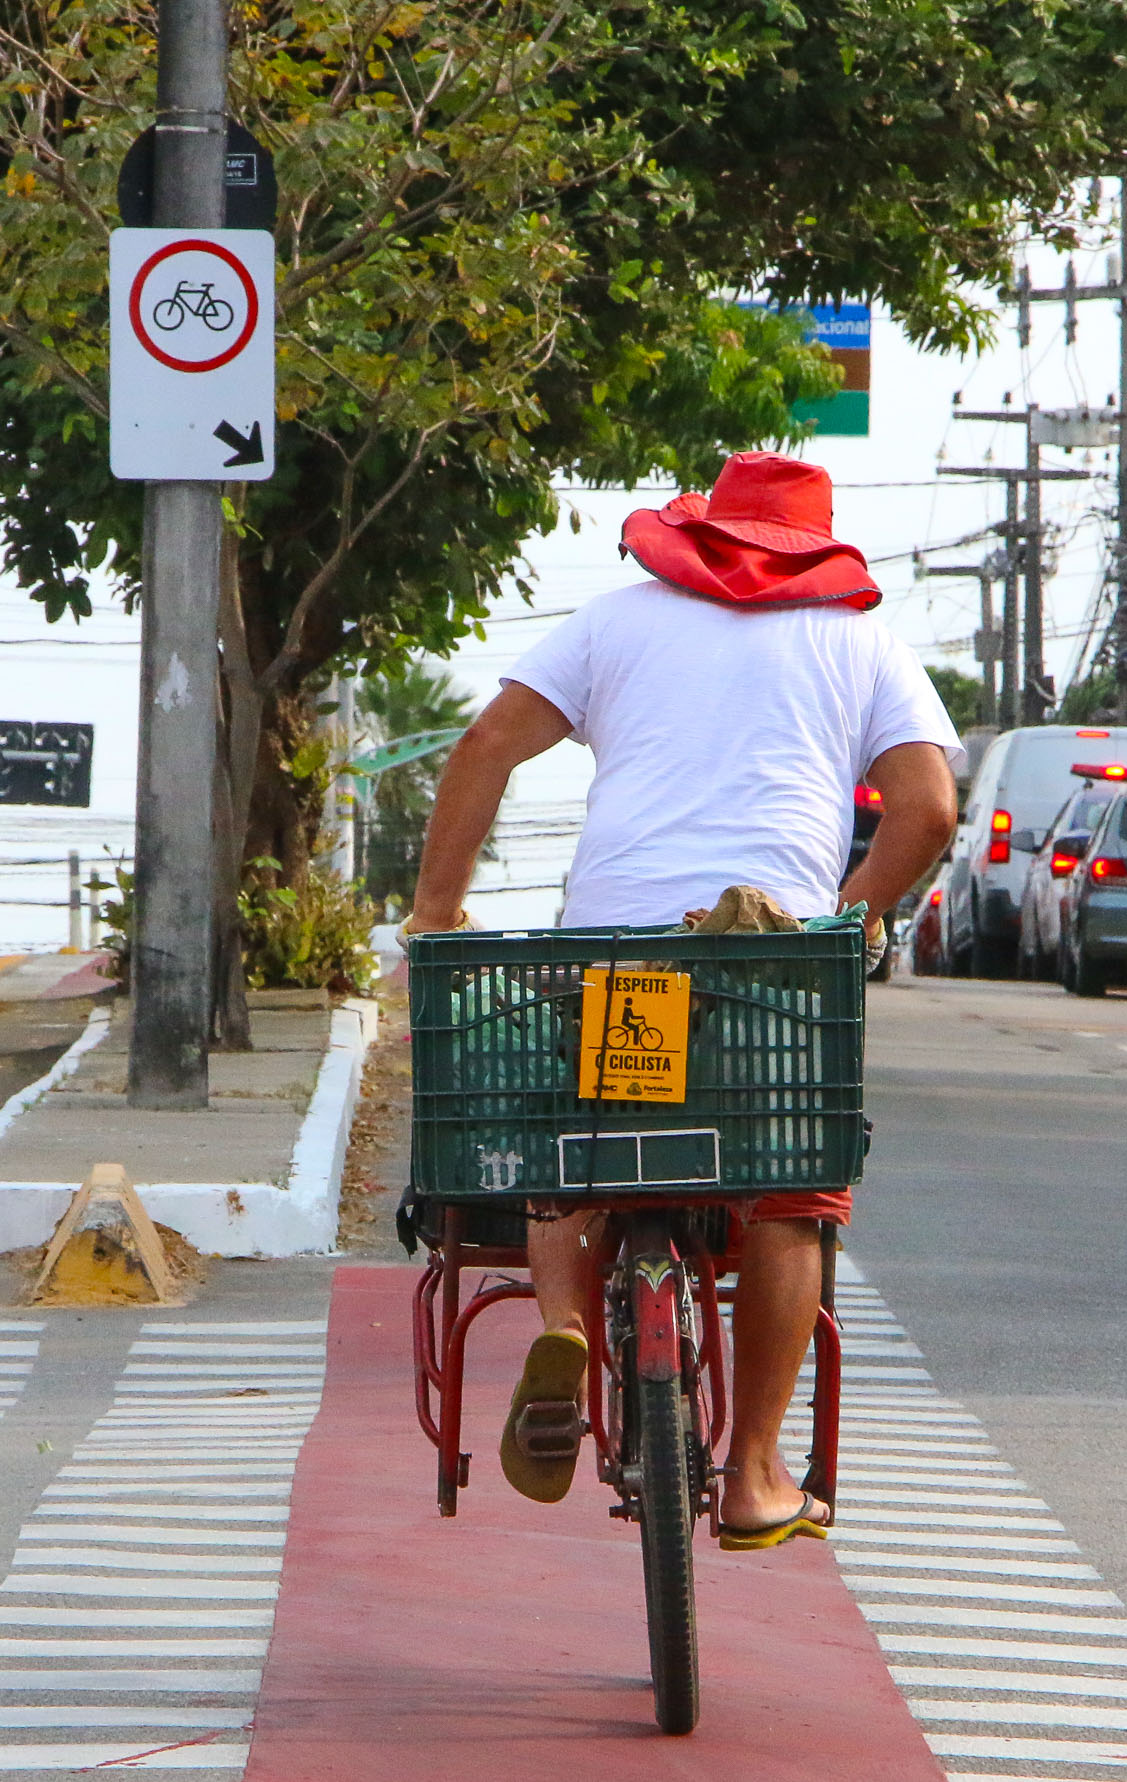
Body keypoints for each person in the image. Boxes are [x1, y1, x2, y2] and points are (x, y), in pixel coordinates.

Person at [402, 450, 960, 1548]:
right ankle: (753, 1474)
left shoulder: (616, 621)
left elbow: (484, 748)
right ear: (819, 547)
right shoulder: (862, 643)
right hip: (770, 964)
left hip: (627, 954)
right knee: (787, 1195)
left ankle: (564, 1325)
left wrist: (434, 911)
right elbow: (930, 810)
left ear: (700, 533)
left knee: (582, 1144)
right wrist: (842, 922)